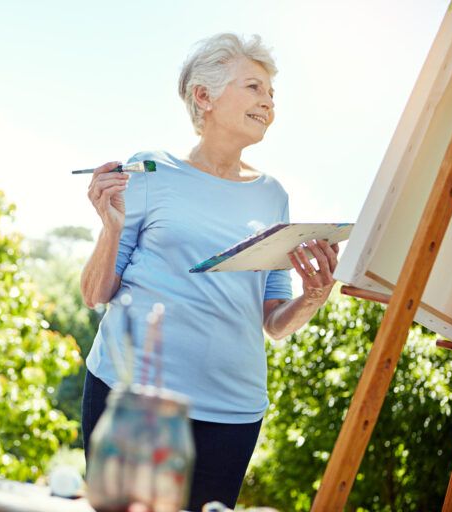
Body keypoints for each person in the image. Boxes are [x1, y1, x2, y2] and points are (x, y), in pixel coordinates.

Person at [80, 33, 339, 511]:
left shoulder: (273, 195)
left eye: (271, 94)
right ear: (204, 96)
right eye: (255, 88)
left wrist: (313, 296)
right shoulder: (150, 171)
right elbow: (96, 294)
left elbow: (274, 323)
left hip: (232, 411)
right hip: (134, 397)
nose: (268, 102)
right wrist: (110, 229)